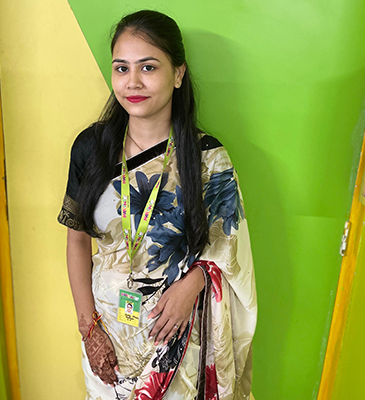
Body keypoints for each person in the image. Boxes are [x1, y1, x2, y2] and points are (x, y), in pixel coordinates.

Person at [58, 9, 257, 400]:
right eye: (122, 68)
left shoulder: (207, 158)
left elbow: (228, 248)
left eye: (148, 67)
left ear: (178, 74)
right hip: (107, 334)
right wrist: (88, 329)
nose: (132, 82)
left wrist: (191, 286)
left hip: (176, 334)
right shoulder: (91, 148)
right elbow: (77, 240)